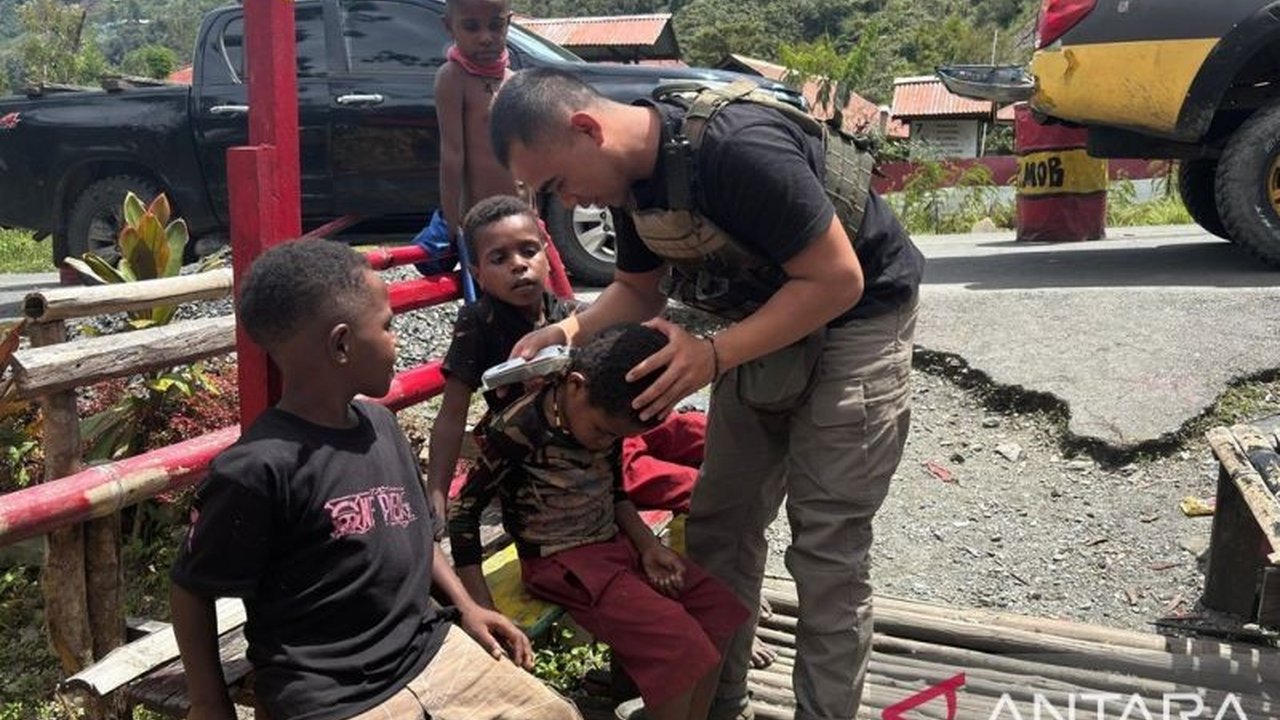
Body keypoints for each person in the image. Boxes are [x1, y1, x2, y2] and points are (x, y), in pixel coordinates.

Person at [489, 68, 924, 720]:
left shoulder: (735, 148)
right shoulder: (633, 183)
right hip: (758, 320)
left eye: (557, 184)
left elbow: (838, 281)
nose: (568, 201)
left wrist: (715, 353)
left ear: (586, 129)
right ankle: (720, 706)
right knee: (722, 527)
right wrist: (567, 327)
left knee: (826, 550)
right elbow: (638, 290)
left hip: (856, 321)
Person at [168, 238, 580, 720]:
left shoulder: (379, 426)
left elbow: (413, 533)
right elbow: (190, 587)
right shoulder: (257, 469)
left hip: (428, 652)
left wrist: (466, 606)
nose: (396, 340)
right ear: (342, 344)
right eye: (387, 326)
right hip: (330, 697)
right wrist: (208, 701)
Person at [448, 323, 750, 720]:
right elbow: (463, 512)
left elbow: (616, 489)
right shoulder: (520, 428)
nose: (603, 443)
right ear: (575, 385)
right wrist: (481, 608)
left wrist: (648, 546)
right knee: (679, 646)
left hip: (612, 546)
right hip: (559, 561)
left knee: (718, 609)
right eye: (602, 432)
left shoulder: (605, 415)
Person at [434, 0, 572, 297]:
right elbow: (452, 154)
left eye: (495, 25)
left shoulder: (512, 80)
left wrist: (533, 212)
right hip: (484, 222)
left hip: (522, 217)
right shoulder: (453, 78)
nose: (485, 36)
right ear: (449, 26)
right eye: (471, 26)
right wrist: (451, 221)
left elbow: (523, 155)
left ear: (508, 23)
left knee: (538, 296)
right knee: (495, 300)